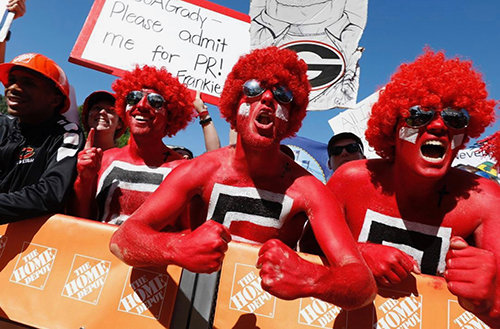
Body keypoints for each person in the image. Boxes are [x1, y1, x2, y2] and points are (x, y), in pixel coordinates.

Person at [109, 47, 376, 310]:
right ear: (235, 103)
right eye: (252, 89)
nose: (268, 98)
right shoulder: (199, 170)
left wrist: (313, 279)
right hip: (191, 312)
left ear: (291, 116)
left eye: (282, 95)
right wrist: (177, 247)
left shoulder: (309, 190)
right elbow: (124, 239)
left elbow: (362, 284)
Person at [325, 50, 499, 326]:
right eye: (419, 115)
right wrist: (354, 254)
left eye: (456, 118)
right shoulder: (351, 180)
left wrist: (491, 303)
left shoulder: (485, 200)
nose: (440, 126)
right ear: (393, 128)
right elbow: (303, 257)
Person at [70, 65, 194, 225]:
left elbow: (185, 234)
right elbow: (79, 222)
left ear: (171, 115)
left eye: (155, 101)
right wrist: (85, 179)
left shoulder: (182, 171)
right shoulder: (104, 160)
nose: (141, 105)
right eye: (133, 98)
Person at [0, 53, 84, 222]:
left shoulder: (67, 133)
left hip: (27, 244)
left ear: (55, 99)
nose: (13, 87)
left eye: (28, 83)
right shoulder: (2, 126)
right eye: (12, 80)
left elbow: (51, 193)